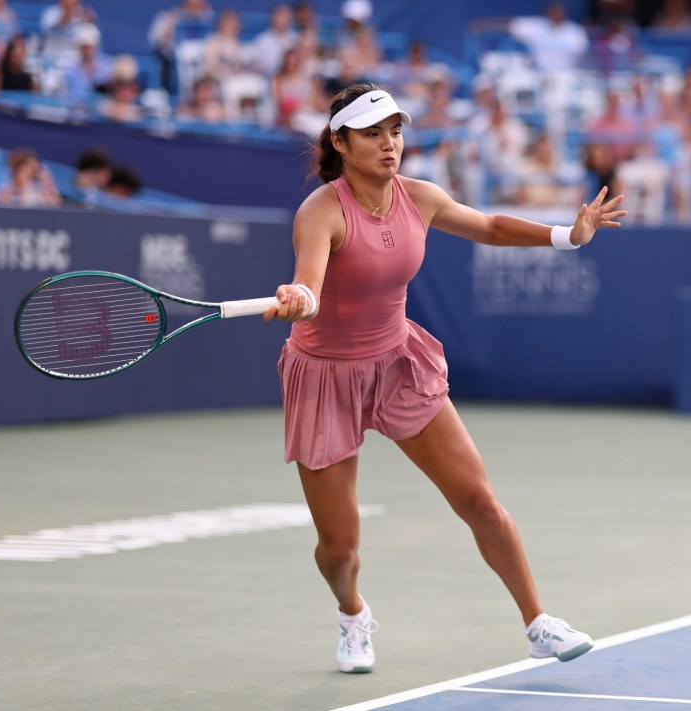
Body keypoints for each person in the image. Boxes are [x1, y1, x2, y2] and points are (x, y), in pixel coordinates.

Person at [261, 82, 626, 674]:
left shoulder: (420, 197)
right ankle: (352, 611)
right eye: (373, 134)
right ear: (341, 142)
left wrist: (568, 234)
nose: (390, 144)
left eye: (396, 131)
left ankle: (537, 622)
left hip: (398, 362)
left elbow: (490, 227)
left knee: (480, 501)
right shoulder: (321, 211)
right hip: (327, 377)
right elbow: (310, 281)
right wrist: (299, 298)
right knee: (339, 547)